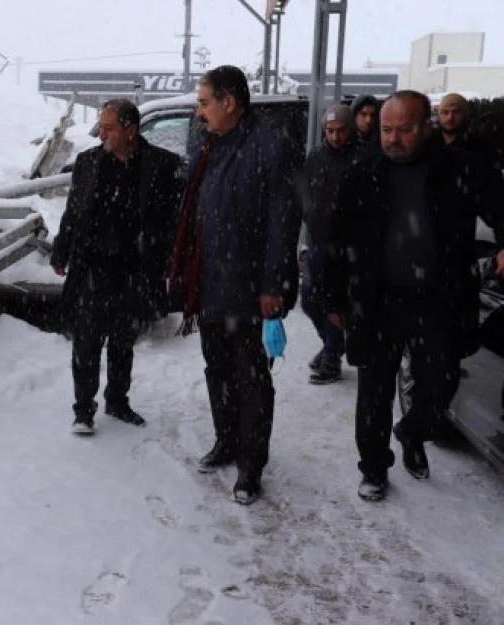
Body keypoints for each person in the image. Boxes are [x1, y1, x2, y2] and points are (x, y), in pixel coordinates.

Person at [324, 90, 504, 502]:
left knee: (440, 383)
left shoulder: (464, 169)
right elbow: (336, 237)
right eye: (387, 129)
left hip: (439, 300)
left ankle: (412, 430)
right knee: (375, 389)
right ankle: (373, 466)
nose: (393, 138)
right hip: (377, 300)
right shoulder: (363, 171)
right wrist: (333, 297)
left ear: (428, 126)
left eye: (404, 129)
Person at [168, 65, 303, 505]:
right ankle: (226, 441)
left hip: (248, 288)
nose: (199, 111)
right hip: (210, 285)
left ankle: (251, 465)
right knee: (217, 371)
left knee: (251, 380)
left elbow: (283, 224)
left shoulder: (269, 146)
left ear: (230, 102)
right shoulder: (210, 145)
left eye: (205, 102)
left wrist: (273, 285)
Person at [51, 99, 185, 436]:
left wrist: (167, 261)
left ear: (131, 129)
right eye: (101, 126)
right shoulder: (88, 162)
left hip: (135, 269)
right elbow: (73, 212)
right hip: (92, 267)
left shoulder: (161, 166)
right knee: (86, 341)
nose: (102, 134)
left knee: (124, 340)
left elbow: (172, 223)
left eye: (109, 128)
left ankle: (117, 400)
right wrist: (61, 251)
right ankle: (83, 409)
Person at [299, 104, 358, 385]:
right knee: (310, 300)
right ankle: (331, 344)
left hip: (349, 246)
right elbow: (305, 196)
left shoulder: (361, 158)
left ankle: (332, 357)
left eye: (340, 131)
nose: (334, 136)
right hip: (318, 243)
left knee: (335, 303)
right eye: (329, 131)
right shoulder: (317, 157)